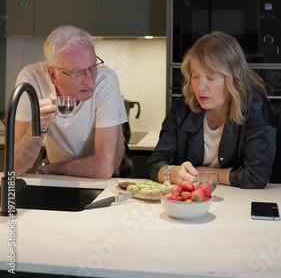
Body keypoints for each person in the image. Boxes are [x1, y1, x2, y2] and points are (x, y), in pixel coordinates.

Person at [146, 31, 276, 189]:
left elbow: (256, 176)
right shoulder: (182, 107)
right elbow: (155, 163)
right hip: (191, 203)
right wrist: (171, 172)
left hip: (239, 202)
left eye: (211, 77)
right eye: (195, 76)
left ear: (233, 79)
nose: (199, 87)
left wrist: (204, 174)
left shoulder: (255, 106)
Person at [14, 25, 132, 179]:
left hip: (110, 172)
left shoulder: (105, 80)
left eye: (92, 67)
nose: (90, 82)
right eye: (77, 73)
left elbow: (103, 168)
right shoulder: (31, 80)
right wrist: (37, 128)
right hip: (59, 167)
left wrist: (52, 168)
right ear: (53, 75)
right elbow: (16, 166)